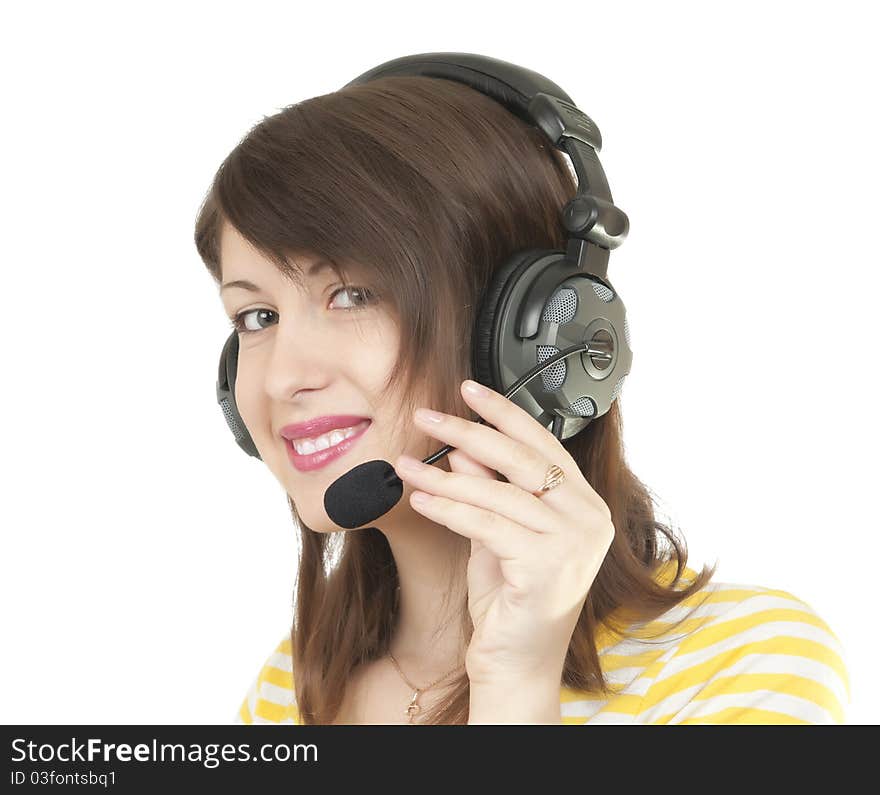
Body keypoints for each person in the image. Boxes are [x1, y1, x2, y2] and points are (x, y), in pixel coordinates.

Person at [193, 63, 849, 725]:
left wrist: (518, 688)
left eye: (352, 295)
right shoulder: (290, 690)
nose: (280, 378)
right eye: (257, 318)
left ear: (523, 339)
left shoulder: (741, 664)